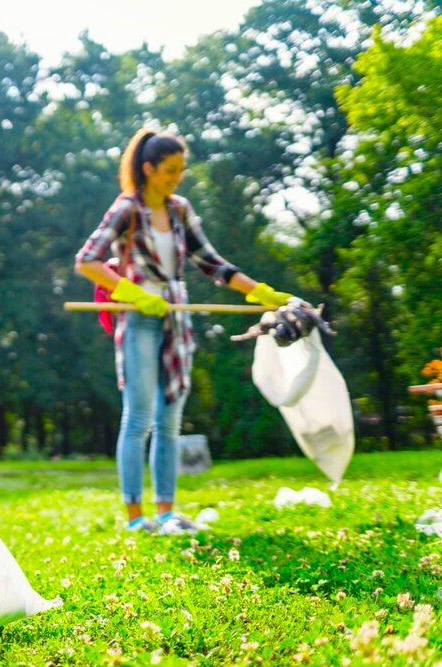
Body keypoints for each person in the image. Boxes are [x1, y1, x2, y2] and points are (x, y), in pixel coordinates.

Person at [74, 128, 297, 533]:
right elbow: (87, 260)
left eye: (181, 170)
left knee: (170, 420)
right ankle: (135, 517)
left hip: (176, 317)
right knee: (139, 418)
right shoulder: (127, 208)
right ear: (148, 169)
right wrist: (131, 291)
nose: (176, 177)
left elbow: (212, 263)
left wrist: (258, 292)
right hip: (138, 316)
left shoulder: (179, 210)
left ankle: (165, 511)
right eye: (169, 170)